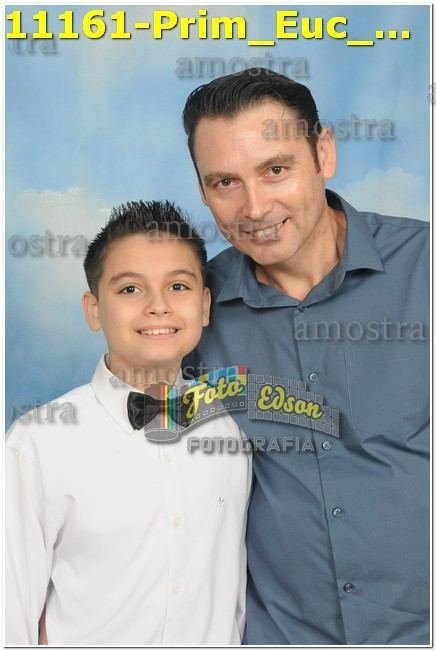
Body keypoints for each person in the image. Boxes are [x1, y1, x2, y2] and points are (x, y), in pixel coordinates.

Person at [182, 69, 429, 645]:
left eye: (275, 169)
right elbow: (141, 457)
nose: (255, 207)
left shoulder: (426, 268)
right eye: (225, 182)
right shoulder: (189, 313)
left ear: (324, 153)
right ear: (202, 190)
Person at [6, 200, 251, 645]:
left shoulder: (230, 433)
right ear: (94, 309)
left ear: (204, 306)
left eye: (178, 286)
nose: (158, 306)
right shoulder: (37, 445)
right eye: (131, 289)